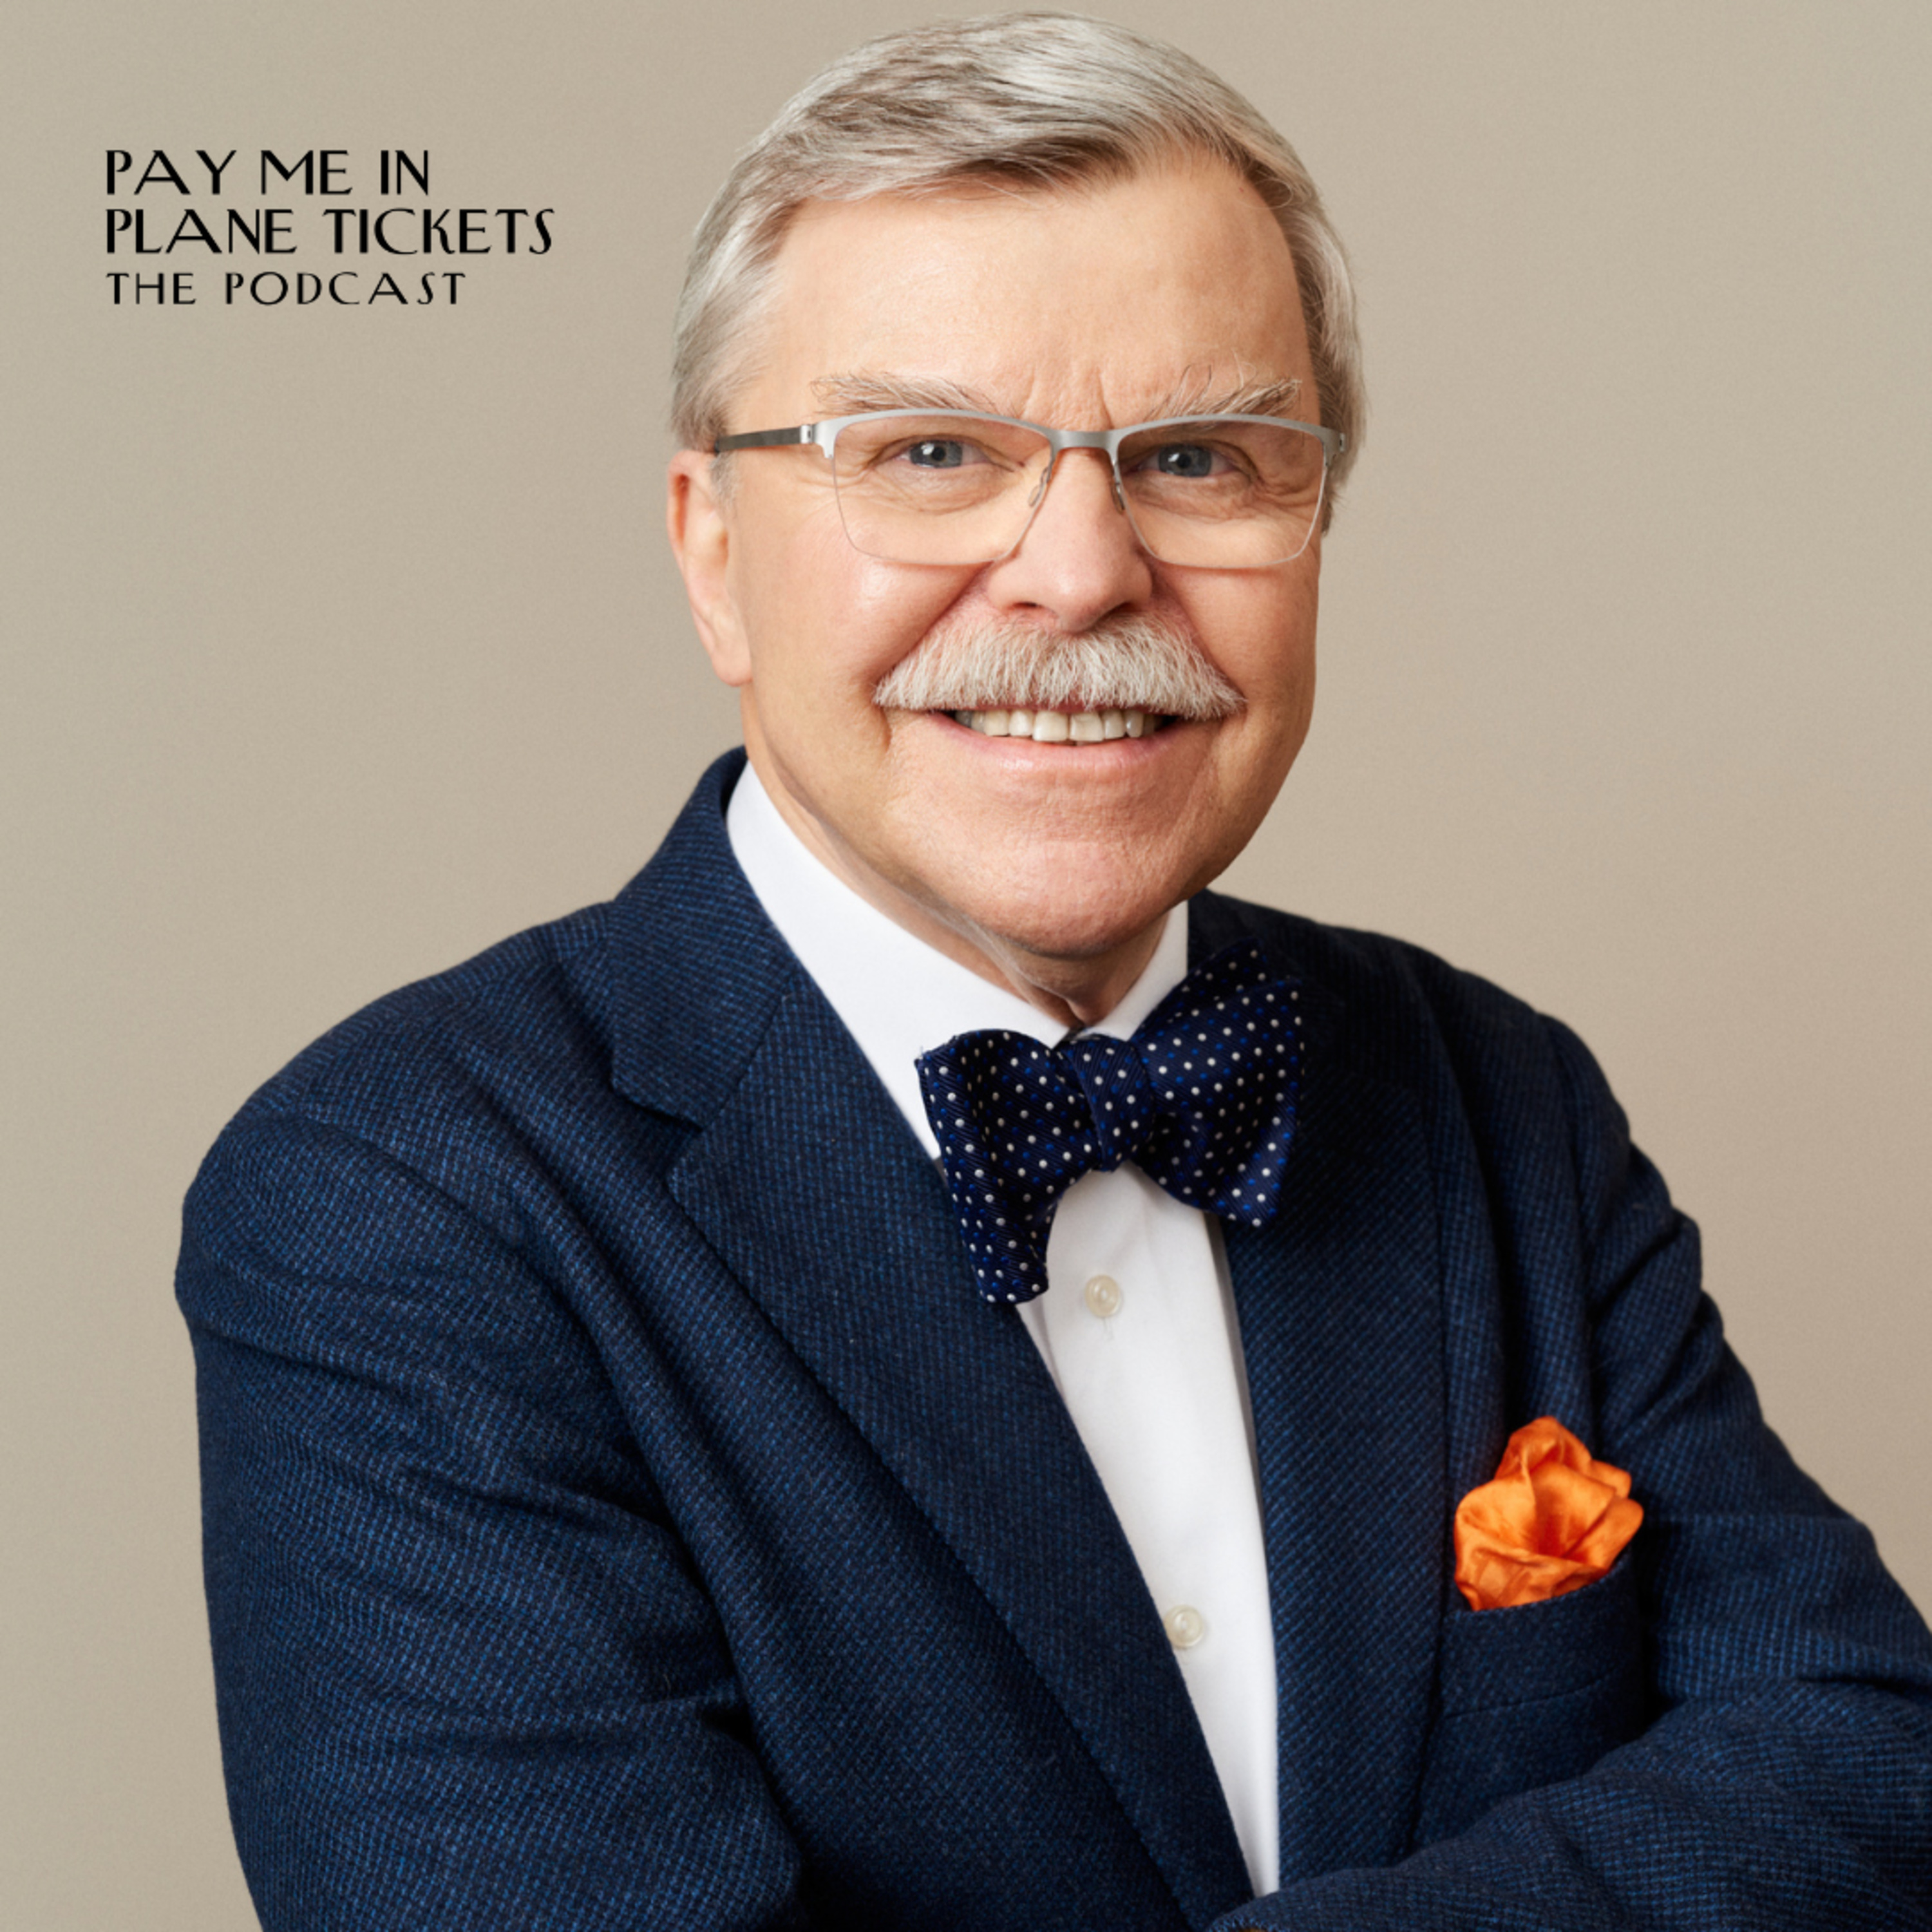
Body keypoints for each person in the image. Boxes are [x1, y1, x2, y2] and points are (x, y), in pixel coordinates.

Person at [176, 14, 1932, 1929]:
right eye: (932, 453)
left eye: (1198, 457)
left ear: (1315, 519)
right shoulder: (402, 1203)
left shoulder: (1495, 1091)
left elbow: (1868, 1760)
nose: (1082, 572)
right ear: (712, 552)